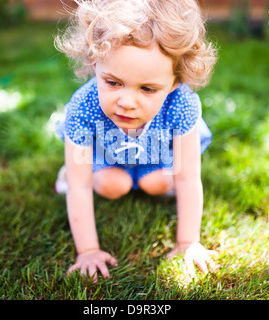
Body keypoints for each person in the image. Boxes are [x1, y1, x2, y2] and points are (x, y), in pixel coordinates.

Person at [54, 0, 218, 282]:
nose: (127, 103)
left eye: (147, 88)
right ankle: (68, 169)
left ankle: (142, 177)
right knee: (110, 186)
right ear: (95, 63)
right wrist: (88, 250)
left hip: (156, 156)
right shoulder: (83, 106)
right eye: (113, 82)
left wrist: (187, 242)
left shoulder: (183, 102)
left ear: (176, 81)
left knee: (157, 184)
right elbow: (79, 188)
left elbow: (188, 178)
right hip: (108, 156)